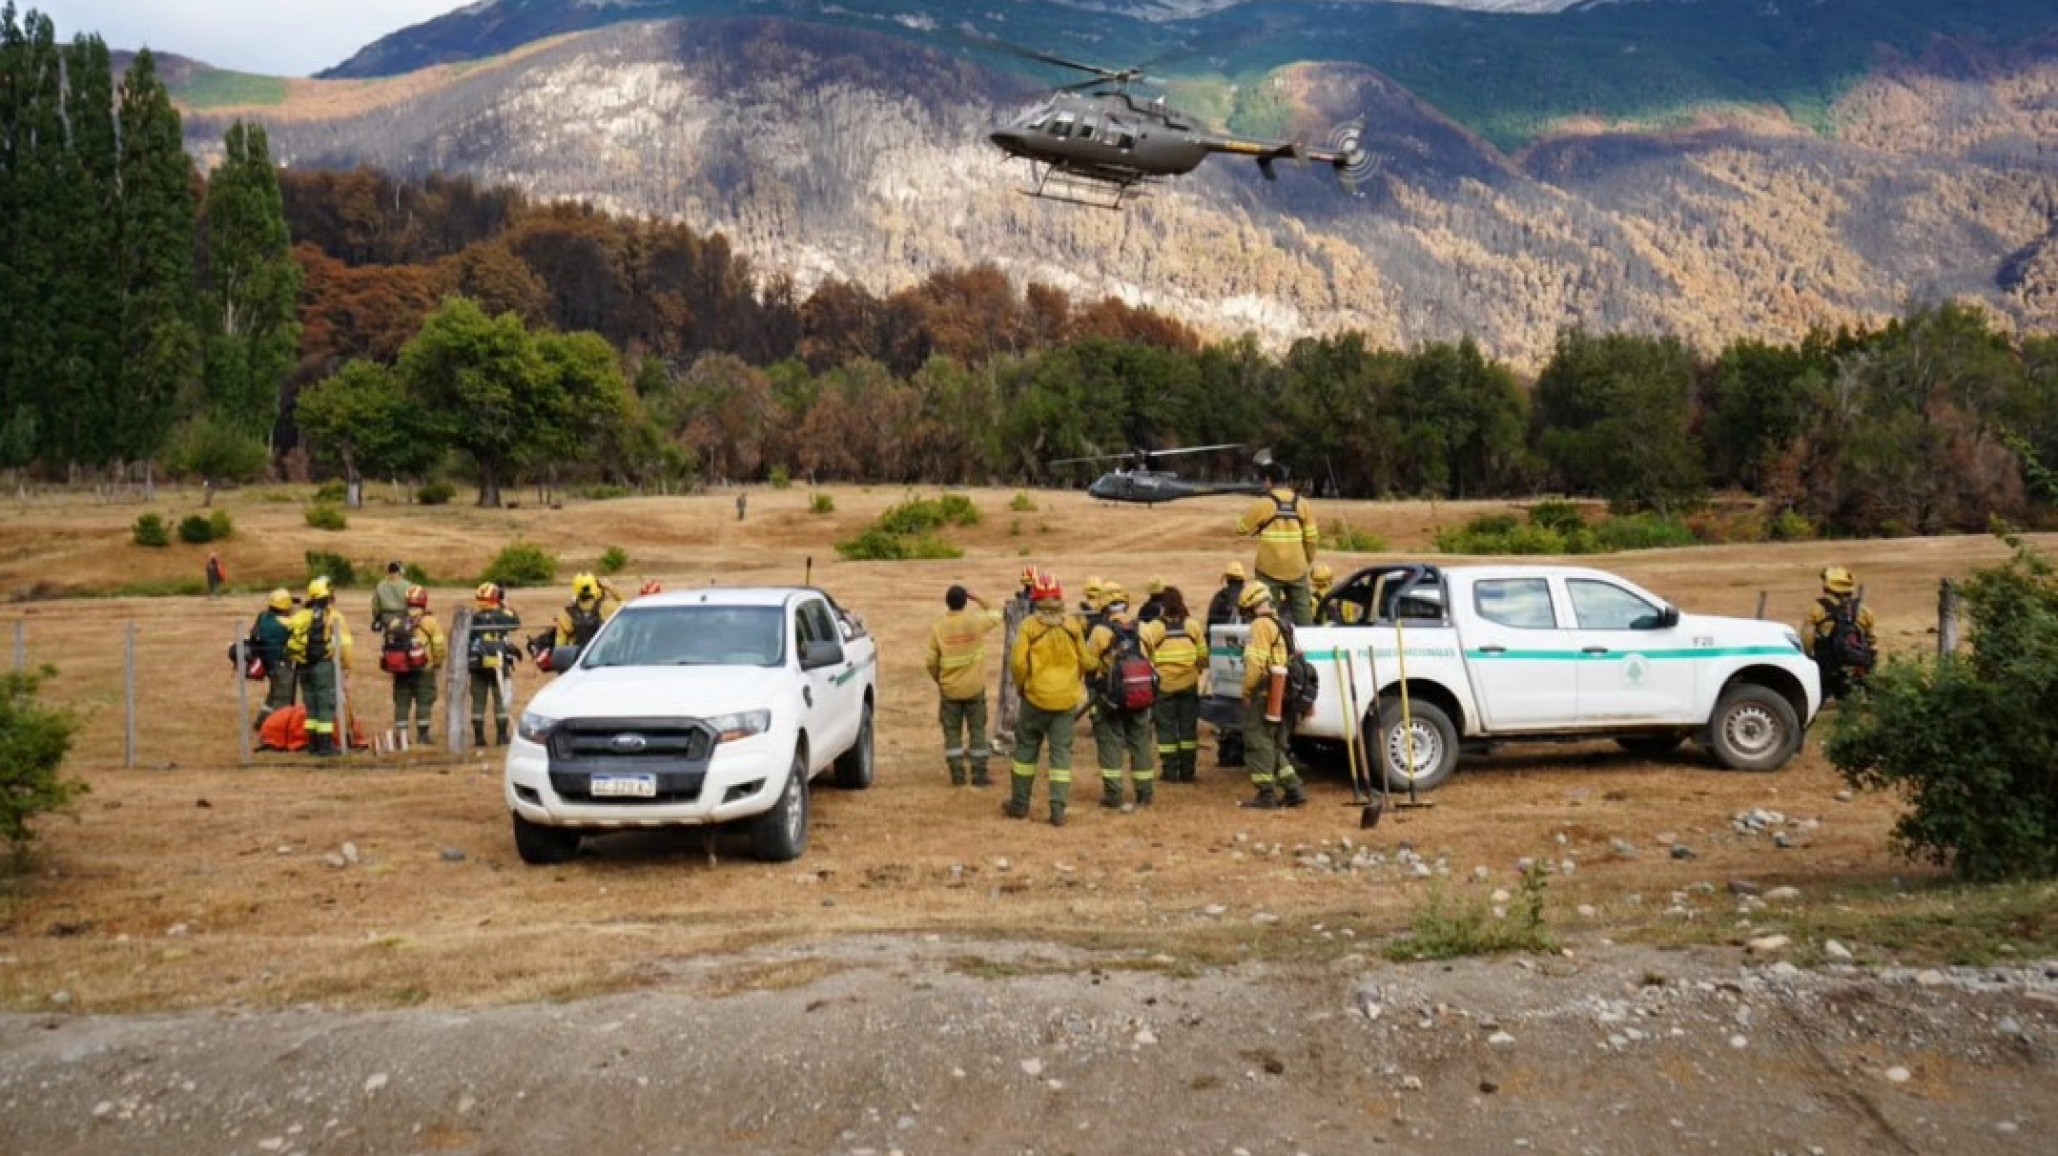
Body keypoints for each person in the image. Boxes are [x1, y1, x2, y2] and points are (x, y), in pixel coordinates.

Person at [1007, 571, 1087, 827]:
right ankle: (1058, 810)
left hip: (1035, 698)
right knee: (1061, 755)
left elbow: (1018, 664)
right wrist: (1075, 681)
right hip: (1065, 701)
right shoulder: (1073, 625)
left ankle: (1020, 805)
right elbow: (1086, 660)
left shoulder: (1029, 626)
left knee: (1026, 750)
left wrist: (1022, 688)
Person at [1084, 584, 1156, 810]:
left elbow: (1089, 662)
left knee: (1111, 745)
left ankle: (1114, 796)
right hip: (1141, 695)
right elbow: (1152, 658)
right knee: (1141, 744)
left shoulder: (1100, 632)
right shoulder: (1143, 628)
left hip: (1111, 698)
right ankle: (1145, 793)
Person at [1236, 583, 1308, 809]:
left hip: (1265, 694)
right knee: (1276, 744)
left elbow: (1255, 665)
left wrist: (1247, 691)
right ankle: (1294, 789)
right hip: (1284, 694)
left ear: (1251, 606)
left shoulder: (1260, 625)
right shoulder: (1283, 625)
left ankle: (1266, 794)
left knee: (1258, 742)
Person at [925, 585, 1003, 787]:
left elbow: (931, 662)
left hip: (950, 690)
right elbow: (996, 613)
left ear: (947, 602)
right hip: (975, 688)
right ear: (965, 601)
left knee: (952, 733)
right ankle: (979, 775)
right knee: (977, 730)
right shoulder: (976, 622)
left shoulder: (939, 628)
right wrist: (978, 596)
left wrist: (940, 680)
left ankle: (957, 776)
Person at [1236, 460, 1320, 625]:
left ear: (1268, 480)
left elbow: (1242, 528)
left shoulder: (1264, 504)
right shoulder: (1303, 504)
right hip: (1297, 567)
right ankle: (1308, 644)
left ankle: (1272, 641)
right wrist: (1307, 560)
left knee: (1268, 612)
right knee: (1303, 612)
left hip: (1269, 567)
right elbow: (1312, 538)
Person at [1141, 586, 1205, 784]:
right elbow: (1203, 655)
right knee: (1188, 729)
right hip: (1189, 684)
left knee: (1166, 729)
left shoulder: (1155, 628)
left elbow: (1144, 653)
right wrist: (1196, 671)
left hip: (1164, 686)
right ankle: (1188, 771)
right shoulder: (1193, 626)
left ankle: (1170, 772)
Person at [287, 575, 354, 758]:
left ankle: (313, 743)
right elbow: (346, 645)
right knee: (326, 704)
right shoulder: (333, 616)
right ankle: (326, 746)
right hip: (323, 665)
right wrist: (347, 667)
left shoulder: (301, 615)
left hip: (302, 666)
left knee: (311, 705)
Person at [1803, 565, 1878, 702]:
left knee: (1816, 701)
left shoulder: (1817, 610)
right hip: (1856, 664)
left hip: (1827, 666)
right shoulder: (1864, 611)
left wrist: (1810, 657)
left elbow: (1807, 640)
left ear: (1827, 586)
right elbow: (1873, 641)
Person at [384, 585, 446, 746]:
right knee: (424, 701)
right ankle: (423, 735)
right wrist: (437, 663)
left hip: (401, 670)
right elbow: (439, 646)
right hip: (424, 669)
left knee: (402, 702)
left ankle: (402, 736)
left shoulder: (396, 621)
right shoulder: (430, 621)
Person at [468, 583, 524, 747]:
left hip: (478, 666)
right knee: (500, 700)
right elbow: (516, 622)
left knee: (478, 701)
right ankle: (501, 736)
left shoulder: (473, 617)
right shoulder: (503, 615)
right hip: (500, 665)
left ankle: (479, 738)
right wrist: (506, 605)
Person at [1206, 561, 1249, 767]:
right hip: (1249, 659)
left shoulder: (1219, 599)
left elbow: (1210, 628)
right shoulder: (1251, 596)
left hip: (1224, 661)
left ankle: (1231, 747)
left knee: (1227, 707)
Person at [246, 588, 297, 729]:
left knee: (273, 695)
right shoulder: (285, 623)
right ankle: (275, 728)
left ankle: (261, 722)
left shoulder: (263, 617)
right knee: (283, 698)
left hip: (268, 664)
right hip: (281, 664)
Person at [554, 572, 622, 648]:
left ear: (575, 590)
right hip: (603, 655)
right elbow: (626, 606)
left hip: (579, 658)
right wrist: (610, 587)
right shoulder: (607, 607)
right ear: (595, 587)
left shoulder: (565, 615)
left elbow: (559, 646)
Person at [370, 561, 411, 633]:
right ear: (401, 571)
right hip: (403, 618)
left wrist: (377, 617)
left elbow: (375, 606)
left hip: (386, 619)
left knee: (388, 637)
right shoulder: (408, 585)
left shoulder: (380, 585)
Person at [1206, 561, 1247, 631]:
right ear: (1243, 578)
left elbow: (1210, 622)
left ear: (1227, 578)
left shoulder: (1220, 596)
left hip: (1221, 638)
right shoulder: (1251, 595)